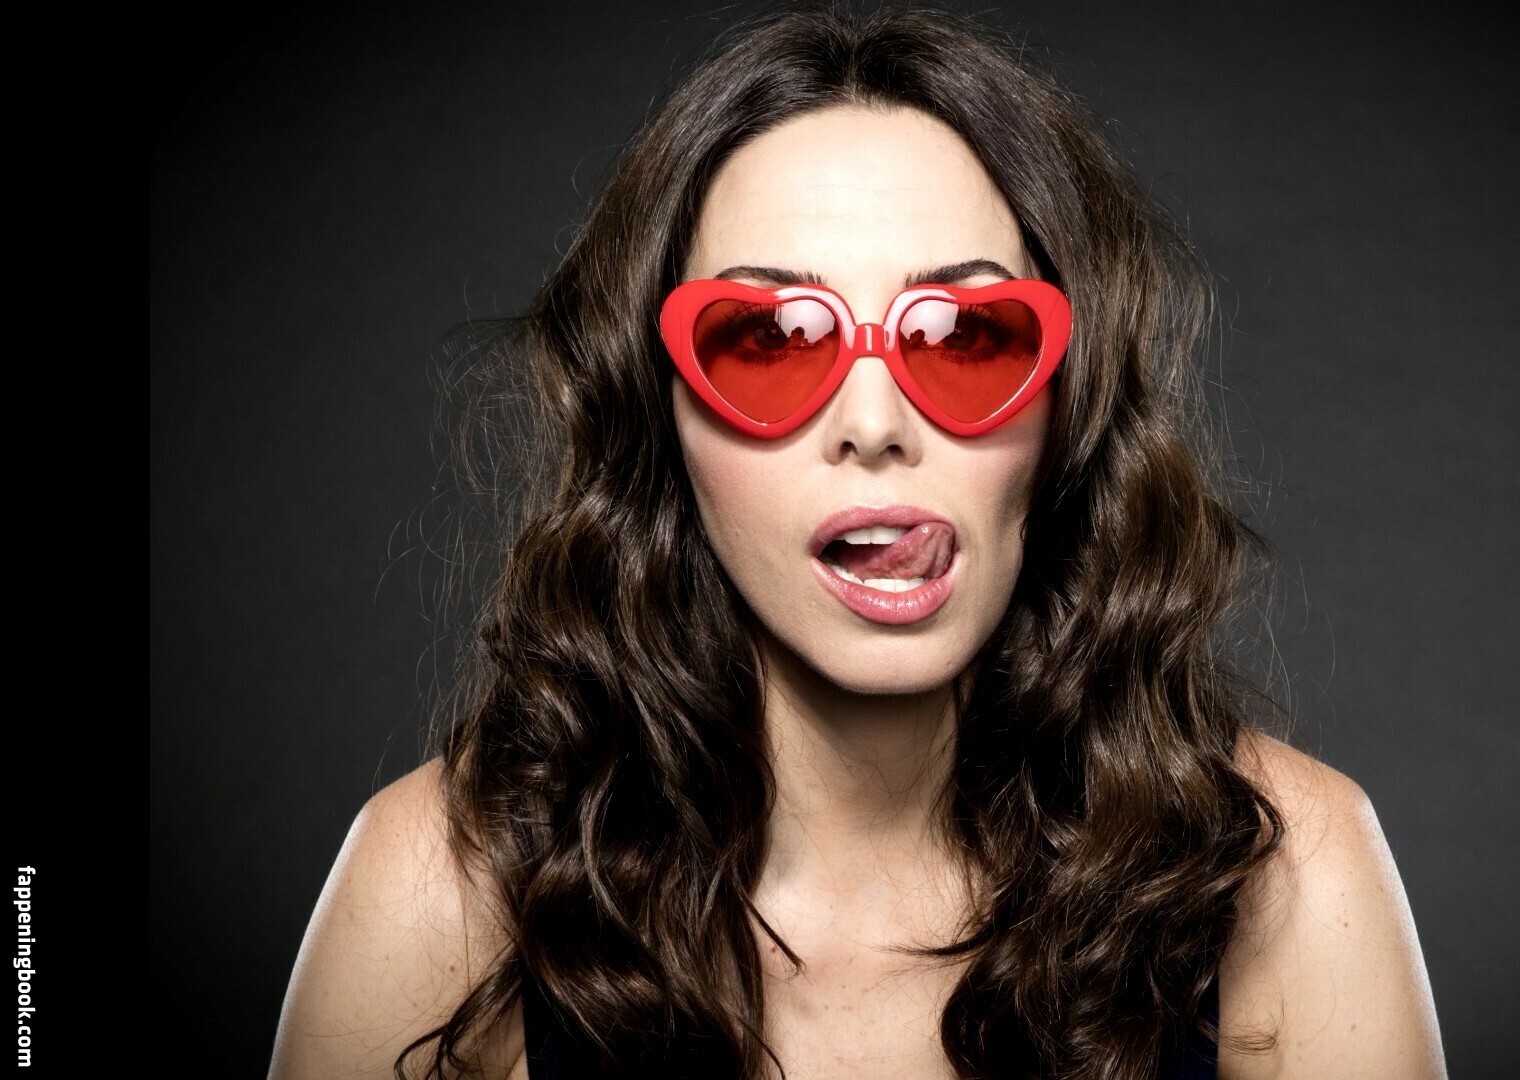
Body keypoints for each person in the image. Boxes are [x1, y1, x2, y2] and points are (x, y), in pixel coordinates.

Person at [268, 6, 1446, 1078]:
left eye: (966, 334)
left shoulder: (1292, 875)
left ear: (1068, 402)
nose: (875, 424)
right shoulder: (439, 889)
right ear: (658, 415)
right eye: (770, 338)